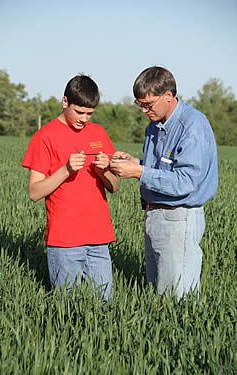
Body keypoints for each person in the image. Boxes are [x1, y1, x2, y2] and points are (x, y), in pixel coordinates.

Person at [110, 66, 218, 300]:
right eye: (140, 105)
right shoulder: (155, 126)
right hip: (155, 215)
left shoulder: (192, 127)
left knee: (175, 297)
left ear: (168, 96)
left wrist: (139, 171)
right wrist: (134, 161)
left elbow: (185, 181)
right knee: (157, 295)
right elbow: (162, 168)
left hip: (178, 217)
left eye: (148, 104)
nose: (144, 111)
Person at [22, 74, 118, 301]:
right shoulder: (44, 136)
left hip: (99, 237)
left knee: (104, 305)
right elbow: (34, 192)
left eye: (89, 113)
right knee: (68, 307)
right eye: (79, 112)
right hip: (64, 240)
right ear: (65, 102)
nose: (84, 119)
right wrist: (65, 170)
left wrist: (104, 171)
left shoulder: (98, 133)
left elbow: (114, 187)